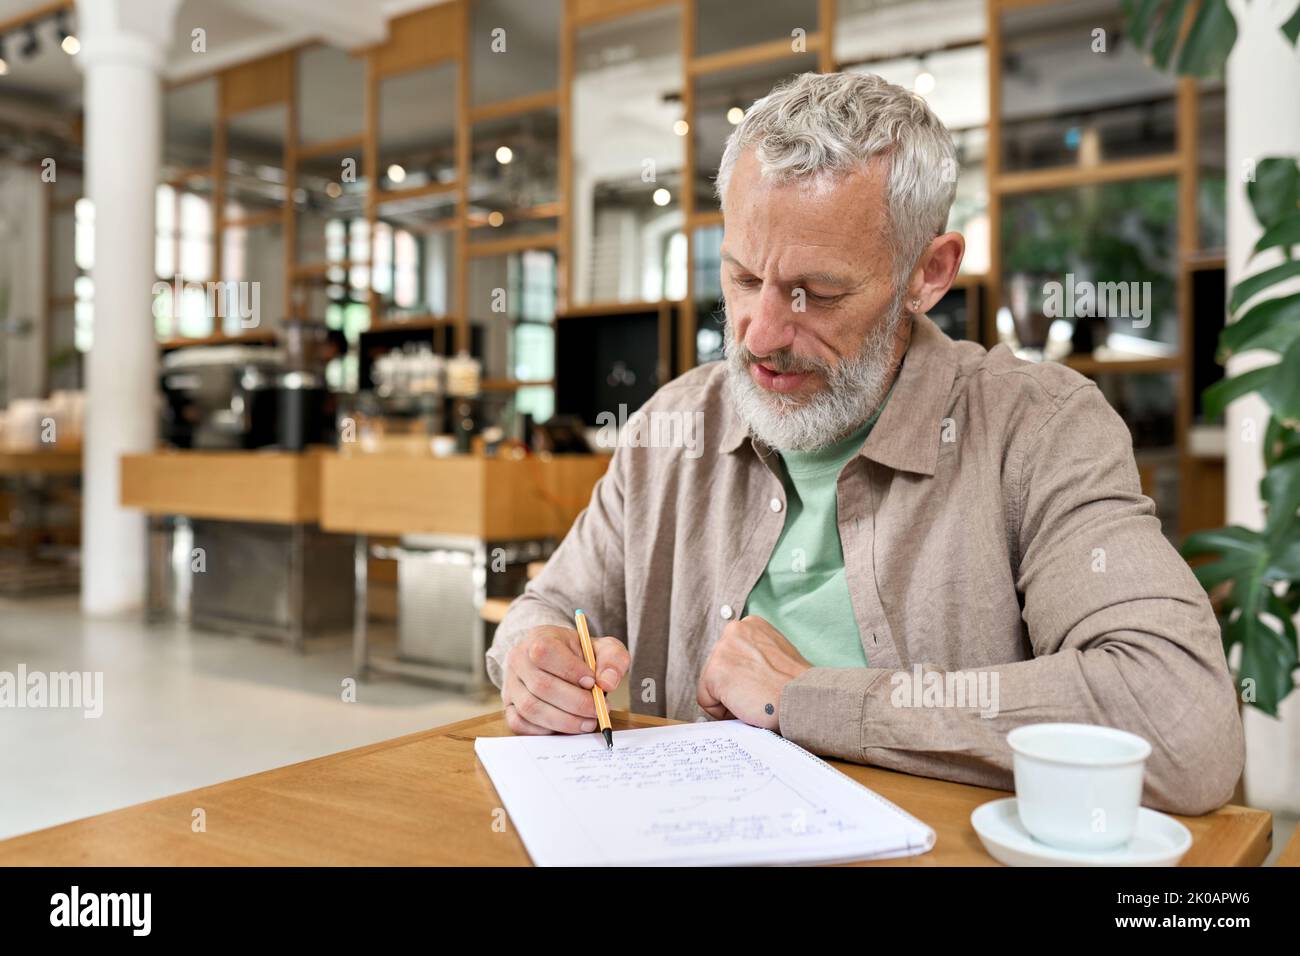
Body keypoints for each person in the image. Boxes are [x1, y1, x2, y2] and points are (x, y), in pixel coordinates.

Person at [486, 72, 1243, 815]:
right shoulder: (670, 428)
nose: (760, 335)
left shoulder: (1038, 429)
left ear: (930, 273)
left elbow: (1180, 720)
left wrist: (807, 700)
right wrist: (533, 657)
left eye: (818, 293)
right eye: (744, 278)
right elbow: (550, 604)